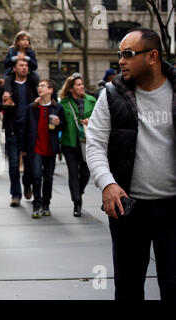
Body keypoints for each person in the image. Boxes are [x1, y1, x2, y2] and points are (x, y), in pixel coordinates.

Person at [86, 27, 176, 300]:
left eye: (128, 54)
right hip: (128, 209)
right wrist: (108, 184)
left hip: (173, 210)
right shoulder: (111, 95)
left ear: (152, 56)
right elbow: (95, 145)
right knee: (128, 288)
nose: (121, 61)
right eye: (119, 54)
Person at [0, 59, 38, 207]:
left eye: (26, 65)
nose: (24, 67)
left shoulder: (33, 84)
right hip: (12, 128)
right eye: (21, 65)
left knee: (30, 163)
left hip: (30, 130)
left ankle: (27, 184)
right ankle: (15, 195)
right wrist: (5, 103)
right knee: (13, 163)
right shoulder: (6, 86)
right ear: (14, 68)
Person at [21, 79, 66, 218]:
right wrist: (24, 148)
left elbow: (64, 126)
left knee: (48, 178)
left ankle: (46, 204)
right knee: (36, 176)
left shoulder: (57, 108)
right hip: (35, 147)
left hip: (50, 148)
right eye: (38, 86)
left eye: (43, 86)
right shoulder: (32, 107)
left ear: (50, 90)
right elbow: (26, 128)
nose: (39, 88)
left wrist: (59, 123)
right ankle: (36, 205)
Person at [58, 72, 96, 217]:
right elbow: (61, 123)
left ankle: (78, 192)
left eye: (82, 84)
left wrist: (90, 122)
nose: (82, 87)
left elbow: (101, 119)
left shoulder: (92, 100)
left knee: (85, 173)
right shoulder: (64, 103)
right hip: (69, 143)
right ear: (71, 88)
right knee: (73, 173)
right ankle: (77, 203)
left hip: (86, 142)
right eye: (78, 85)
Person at [2, 31, 39, 107]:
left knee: (36, 79)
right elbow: (6, 64)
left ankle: (39, 98)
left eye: (27, 40)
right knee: (7, 80)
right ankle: (8, 98)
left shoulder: (31, 51)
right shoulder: (12, 51)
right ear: (18, 41)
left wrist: (27, 58)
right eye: (23, 40)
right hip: (14, 72)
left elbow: (35, 66)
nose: (25, 42)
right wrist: (15, 58)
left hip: (29, 73)